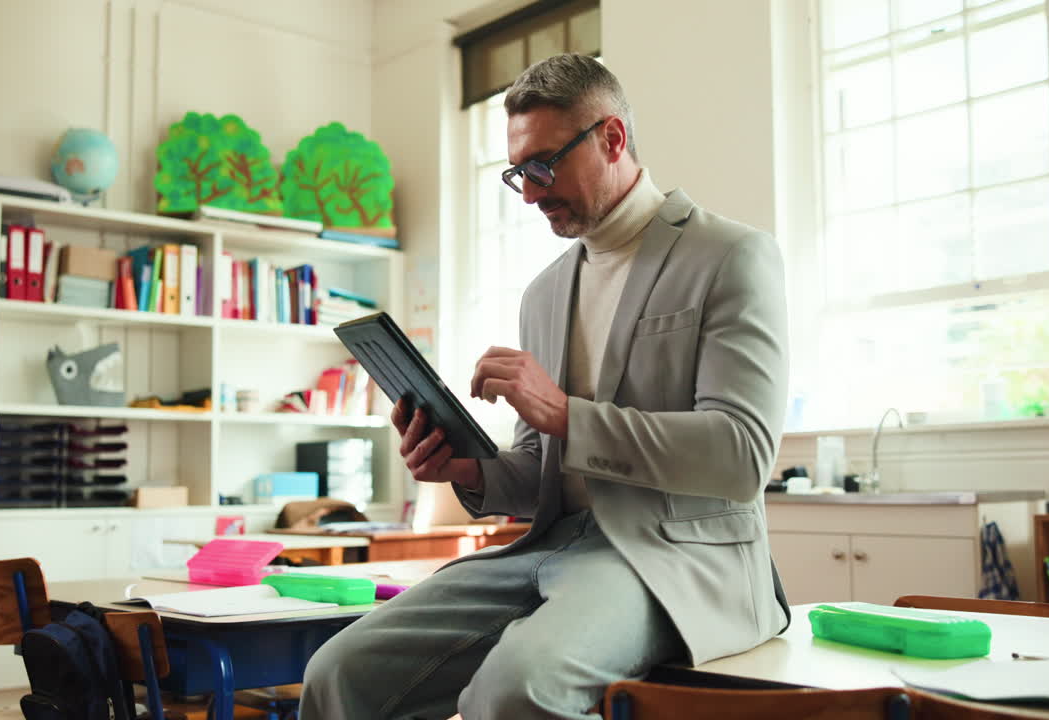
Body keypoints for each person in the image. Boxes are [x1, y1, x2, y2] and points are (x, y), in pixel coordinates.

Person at [300, 53, 790, 720]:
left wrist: (565, 412)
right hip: (552, 546)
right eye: (517, 174)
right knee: (337, 671)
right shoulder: (545, 292)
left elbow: (741, 457)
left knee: (515, 690)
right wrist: (467, 469)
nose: (529, 193)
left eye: (543, 166)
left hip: (676, 560)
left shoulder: (729, 255)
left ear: (612, 138)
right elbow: (539, 471)